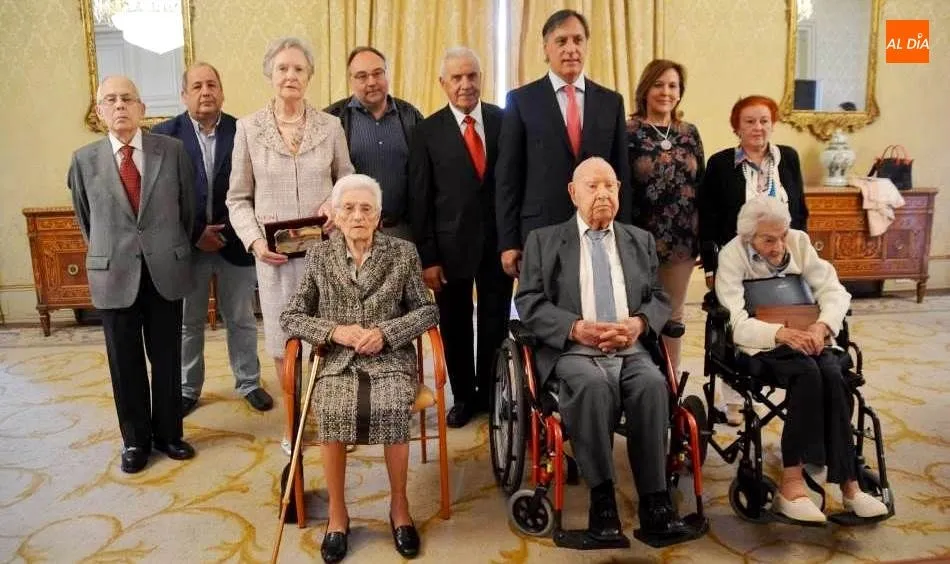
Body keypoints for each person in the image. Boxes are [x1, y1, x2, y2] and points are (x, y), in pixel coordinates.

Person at [515, 157, 692, 548]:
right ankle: (603, 499)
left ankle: (655, 501)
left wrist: (639, 325)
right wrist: (575, 328)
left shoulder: (638, 239)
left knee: (651, 385)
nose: (603, 194)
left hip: (630, 349)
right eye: (593, 186)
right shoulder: (544, 240)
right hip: (575, 350)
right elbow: (528, 301)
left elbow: (659, 297)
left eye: (610, 186)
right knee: (592, 386)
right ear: (573, 192)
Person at [281, 174, 438, 563]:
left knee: (391, 406)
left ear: (379, 215)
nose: (357, 216)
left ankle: (399, 508)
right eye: (348, 208)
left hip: (390, 359)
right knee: (331, 409)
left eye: (366, 208)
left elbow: (427, 309)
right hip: (338, 360)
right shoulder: (319, 256)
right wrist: (336, 331)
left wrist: (386, 332)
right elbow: (292, 315)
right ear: (334, 214)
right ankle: (338, 515)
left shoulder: (402, 253)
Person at [715, 197, 889, 524]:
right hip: (766, 343)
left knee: (833, 373)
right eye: (769, 240)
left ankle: (851, 488)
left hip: (810, 335)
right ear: (749, 236)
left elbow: (834, 292)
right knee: (809, 373)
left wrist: (822, 325)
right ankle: (792, 485)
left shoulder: (800, 242)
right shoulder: (731, 255)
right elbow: (735, 321)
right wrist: (780, 333)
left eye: (782, 235)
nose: (780, 245)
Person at [226, 37, 354, 451]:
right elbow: (237, 198)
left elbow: (347, 181)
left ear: (309, 76)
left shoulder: (330, 127)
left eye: (298, 69)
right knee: (284, 345)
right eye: (282, 68)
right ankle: (293, 424)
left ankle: (334, 420)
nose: (290, 76)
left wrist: (336, 206)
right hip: (275, 257)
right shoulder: (247, 128)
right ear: (271, 75)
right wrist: (253, 242)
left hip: (326, 254)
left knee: (332, 339)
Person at [67, 76, 196, 473]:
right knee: (124, 363)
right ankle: (136, 441)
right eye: (111, 100)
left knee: (168, 357)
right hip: (114, 274)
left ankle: (170, 434)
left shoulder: (171, 151)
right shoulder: (83, 160)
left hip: (164, 271)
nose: (120, 105)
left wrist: (167, 247)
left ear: (142, 108)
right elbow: (86, 219)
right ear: (100, 111)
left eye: (127, 99)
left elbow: (188, 210)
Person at [152, 62, 271, 416]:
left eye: (212, 85)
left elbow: (255, 190)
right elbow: (160, 198)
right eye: (198, 86)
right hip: (188, 247)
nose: (206, 92)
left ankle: (249, 382)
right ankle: (188, 389)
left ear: (222, 91)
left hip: (235, 243)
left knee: (241, 318)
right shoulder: (164, 135)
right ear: (184, 94)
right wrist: (195, 234)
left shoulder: (244, 130)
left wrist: (238, 232)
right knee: (189, 322)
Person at [408, 47, 511, 428]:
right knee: (454, 324)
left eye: (472, 76)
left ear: (481, 78)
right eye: (457, 78)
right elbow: (420, 199)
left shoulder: (504, 122)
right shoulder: (427, 132)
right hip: (448, 252)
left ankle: (491, 392)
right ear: (443, 84)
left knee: (495, 322)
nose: (465, 84)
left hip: (498, 247)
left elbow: (511, 187)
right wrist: (428, 258)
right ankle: (465, 396)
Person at [496, 9, 632, 279]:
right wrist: (509, 242)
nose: (571, 49)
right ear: (546, 49)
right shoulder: (521, 101)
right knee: (546, 316)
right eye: (561, 41)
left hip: (600, 228)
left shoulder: (611, 102)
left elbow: (621, 173)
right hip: (541, 232)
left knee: (596, 313)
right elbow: (507, 177)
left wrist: (624, 233)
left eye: (578, 40)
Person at [698, 94, 808, 425]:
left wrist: (801, 257)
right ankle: (735, 401)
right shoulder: (720, 164)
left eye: (763, 120)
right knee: (736, 320)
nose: (757, 128)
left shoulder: (788, 158)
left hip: (783, 258)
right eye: (749, 121)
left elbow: (800, 210)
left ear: (772, 123)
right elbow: (708, 218)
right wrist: (711, 268)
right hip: (739, 262)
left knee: (786, 317)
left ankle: (794, 376)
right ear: (737, 127)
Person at [626, 59, 704, 374]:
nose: (666, 92)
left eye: (672, 86)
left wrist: (703, 235)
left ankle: (669, 386)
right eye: (658, 85)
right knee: (640, 316)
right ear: (645, 89)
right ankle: (641, 385)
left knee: (673, 317)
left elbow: (701, 185)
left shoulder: (690, 133)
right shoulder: (629, 131)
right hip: (638, 241)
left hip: (682, 242)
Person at [324, 47, 424, 241]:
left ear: (386, 74)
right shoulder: (333, 118)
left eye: (377, 73)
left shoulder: (410, 116)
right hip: (351, 234)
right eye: (362, 76)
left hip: (402, 232)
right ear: (350, 81)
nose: (371, 82)